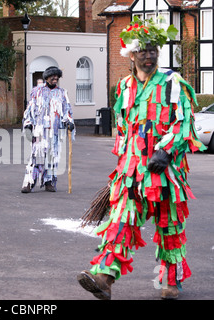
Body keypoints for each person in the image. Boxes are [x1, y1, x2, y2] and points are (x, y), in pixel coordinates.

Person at [77, 17, 206, 300]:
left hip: (167, 173)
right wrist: (124, 165)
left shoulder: (174, 83)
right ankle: (104, 278)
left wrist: (166, 150)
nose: (149, 56)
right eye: (144, 51)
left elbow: (185, 123)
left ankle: (170, 283)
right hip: (132, 173)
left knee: (169, 226)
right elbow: (123, 130)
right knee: (121, 222)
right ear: (132, 54)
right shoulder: (124, 88)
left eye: (154, 50)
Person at [21, 66, 75, 193]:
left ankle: (49, 181)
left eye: (57, 77)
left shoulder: (62, 93)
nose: (55, 79)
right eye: (52, 77)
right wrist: (28, 123)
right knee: (36, 156)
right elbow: (30, 109)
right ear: (46, 78)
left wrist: (69, 122)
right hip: (39, 130)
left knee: (52, 157)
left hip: (55, 131)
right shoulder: (36, 92)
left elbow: (67, 110)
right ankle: (29, 182)